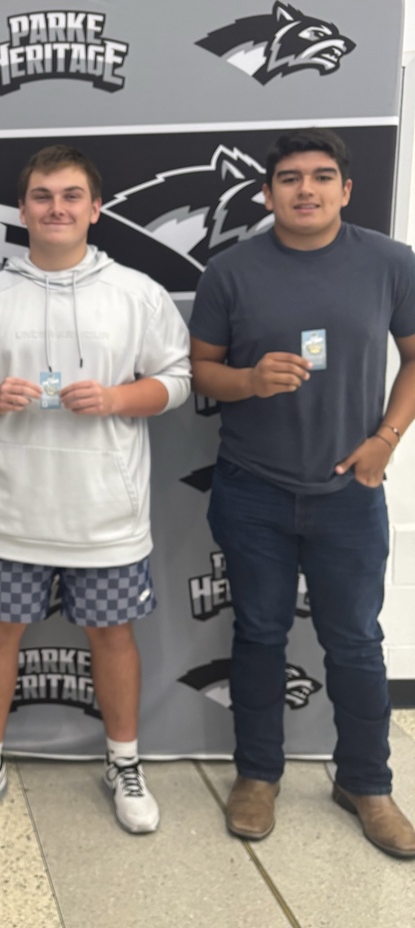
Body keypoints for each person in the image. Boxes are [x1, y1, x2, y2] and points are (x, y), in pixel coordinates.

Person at [0, 145, 190, 836]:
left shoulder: (136, 292)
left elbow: (177, 381)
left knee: (113, 637)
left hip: (103, 514)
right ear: (22, 210)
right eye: (44, 196)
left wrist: (116, 397)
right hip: (8, 510)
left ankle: (124, 761)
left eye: (71, 196)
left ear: (95, 207)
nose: (57, 208)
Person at [189, 127, 415, 858]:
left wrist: (386, 440)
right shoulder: (232, 271)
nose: (306, 190)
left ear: (347, 191)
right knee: (258, 632)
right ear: (268, 192)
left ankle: (367, 784)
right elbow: (201, 373)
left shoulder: (390, 262)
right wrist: (250, 381)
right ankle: (258, 775)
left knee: (356, 641)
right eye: (290, 178)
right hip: (252, 489)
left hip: (348, 491)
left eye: (322, 177)